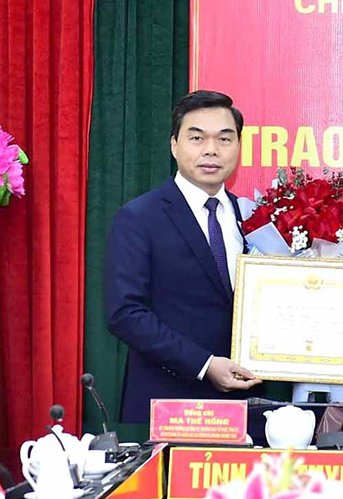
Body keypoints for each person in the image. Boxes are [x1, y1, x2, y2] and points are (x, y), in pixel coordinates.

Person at [106, 91, 262, 424]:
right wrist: (205, 365)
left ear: (238, 146)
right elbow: (126, 314)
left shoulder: (254, 218)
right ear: (174, 145)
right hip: (170, 403)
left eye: (224, 139)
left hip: (247, 406)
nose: (211, 149)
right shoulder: (139, 217)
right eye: (197, 138)